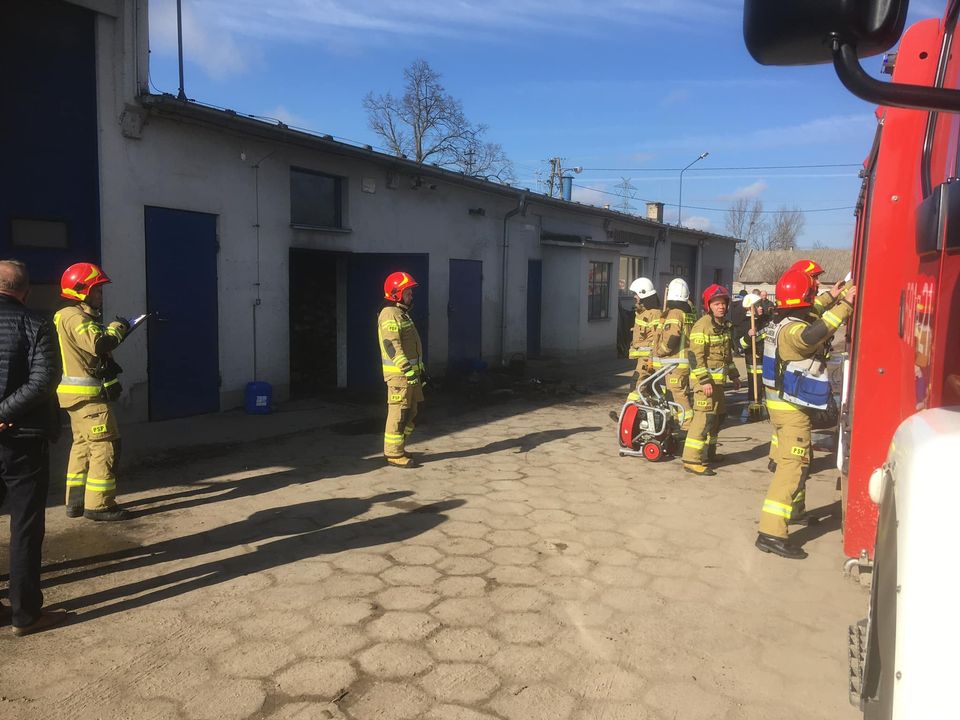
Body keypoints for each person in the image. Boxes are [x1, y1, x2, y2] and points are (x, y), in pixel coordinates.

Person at [757, 268, 856, 559]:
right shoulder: (793, 331)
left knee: (800, 461)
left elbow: (810, 312)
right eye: (812, 291)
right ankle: (771, 532)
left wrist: (833, 296)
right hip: (790, 409)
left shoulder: (784, 320)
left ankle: (795, 511)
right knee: (792, 466)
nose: (815, 295)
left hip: (784, 404)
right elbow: (813, 333)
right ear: (804, 296)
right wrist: (846, 305)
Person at [0, 260, 69, 635]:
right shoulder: (36, 323)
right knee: (25, 526)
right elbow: (44, 379)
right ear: (25, 291)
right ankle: (25, 614)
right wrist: (5, 412)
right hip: (23, 439)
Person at [55, 263, 131, 521]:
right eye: (97, 290)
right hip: (88, 399)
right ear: (81, 291)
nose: (101, 295)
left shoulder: (71, 316)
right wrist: (118, 328)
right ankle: (99, 506)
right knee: (104, 446)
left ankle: (75, 503)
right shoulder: (74, 317)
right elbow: (99, 343)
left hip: (78, 398)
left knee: (83, 447)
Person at [681, 284, 740, 476]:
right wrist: (704, 380)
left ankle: (709, 453)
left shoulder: (723, 326)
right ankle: (691, 459)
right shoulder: (703, 325)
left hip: (718, 385)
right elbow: (694, 356)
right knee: (703, 420)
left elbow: (726, 356)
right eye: (716, 304)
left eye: (723, 303)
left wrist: (734, 375)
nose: (721, 307)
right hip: (704, 384)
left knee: (717, 419)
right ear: (709, 305)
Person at [379, 271, 424, 468]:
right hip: (400, 377)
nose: (411, 296)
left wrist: (419, 371)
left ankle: (400, 446)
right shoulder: (389, 314)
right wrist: (407, 370)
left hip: (411, 376)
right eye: (408, 292)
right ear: (396, 293)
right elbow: (392, 346)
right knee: (399, 413)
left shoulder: (402, 314)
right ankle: (393, 453)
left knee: (411, 411)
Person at [609, 278, 661, 421]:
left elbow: (657, 339)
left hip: (647, 361)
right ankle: (650, 417)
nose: (634, 297)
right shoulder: (642, 312)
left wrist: (651, 360)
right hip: (644, 360)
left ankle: (627, 418)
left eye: (636, 294)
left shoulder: (654, 314)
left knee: (636, 386)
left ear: (643, 294)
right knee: (650, 389)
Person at [653, 278, 696, 433]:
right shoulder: (688, 312)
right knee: (676, 395)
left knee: (678, 396)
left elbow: (672, 337)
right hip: (679, 364)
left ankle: (686, 427)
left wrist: (660, 351)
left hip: (674, 363)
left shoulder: (675, 313)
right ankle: (675, 423)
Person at [738, 293, 770, 411]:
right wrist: (748, 336)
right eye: (757, 306)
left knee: (767, 384)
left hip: (766, 357)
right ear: (749, 308)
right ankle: (753, 408)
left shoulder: (765, 320)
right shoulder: (745, 323)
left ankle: (767, 407)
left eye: (761, 305)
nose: (761, 308)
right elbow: (740, 346)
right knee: (754, 384)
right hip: (753, 359)